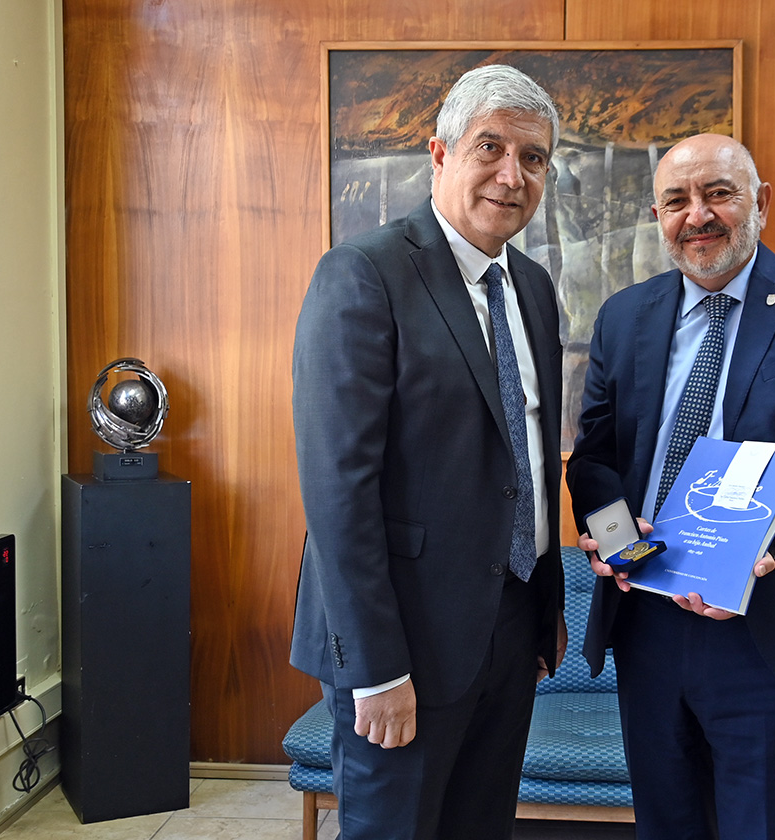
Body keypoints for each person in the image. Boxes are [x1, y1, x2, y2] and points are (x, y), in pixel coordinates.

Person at [566, 133, 775, 840]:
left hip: (769, 620)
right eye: (676, 201)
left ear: (760, 201)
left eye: (718, 193)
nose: (698, 216)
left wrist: (769, 544)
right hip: (648, 616)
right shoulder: (624, 315)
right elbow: (594, 457)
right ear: (657, 216)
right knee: (667, 823)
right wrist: (618, 541)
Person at [289, 65, 566, 840]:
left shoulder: (532, 288)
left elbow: (527, 460)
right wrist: (375, 667)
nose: (512, 175)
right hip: (403, 640)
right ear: (440, 154)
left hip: (509, 627)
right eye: (491, 148)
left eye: (533, 158)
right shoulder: (364, 274)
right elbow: (339, 491)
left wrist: (543, 610)